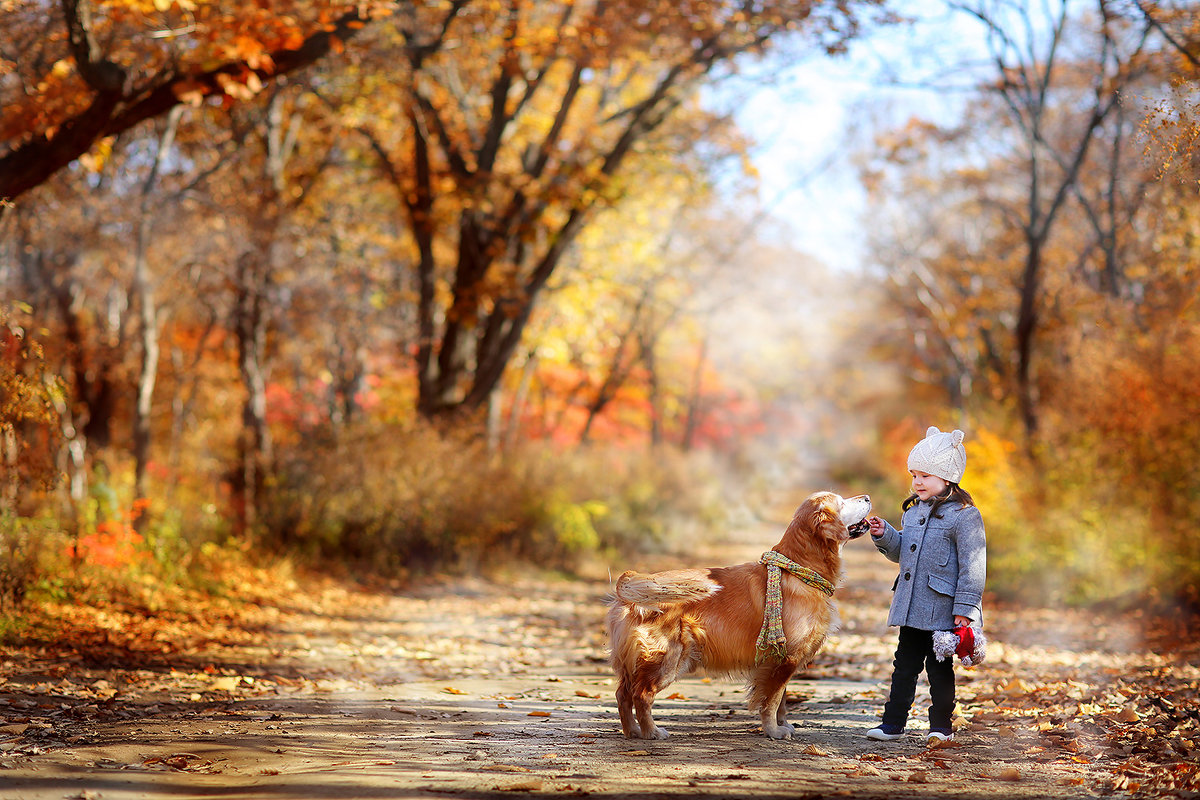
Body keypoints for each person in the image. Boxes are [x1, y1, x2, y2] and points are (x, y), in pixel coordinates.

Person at [864, 426, 987, 745]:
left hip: (943, 611)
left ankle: (941, 725)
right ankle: (893, 723)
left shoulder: (964, 516)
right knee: (903, 667)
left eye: (925, 476)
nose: (917, 482)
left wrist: (965, 611)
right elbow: (902, 553)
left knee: (939, 670)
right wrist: (884, 534)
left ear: (947, 478)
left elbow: (973, 567)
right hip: (910, 607)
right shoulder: (913, 513)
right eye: (914, 475)